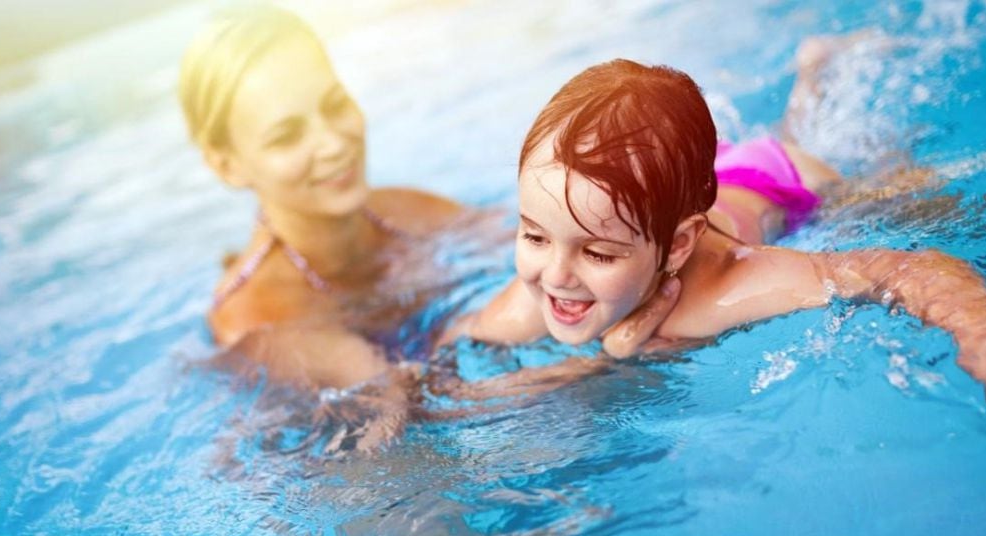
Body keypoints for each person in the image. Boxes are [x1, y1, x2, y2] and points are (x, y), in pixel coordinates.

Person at [442, 58, 986, 427]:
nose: (555, 276)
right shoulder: (539, 289)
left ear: (680, 246)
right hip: (666, 194)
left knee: (930, 204)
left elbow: (912, 269)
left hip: (781, 180)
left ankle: (817, 76)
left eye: (597, 254)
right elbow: (448, 356)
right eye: (533, 235)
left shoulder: (733, 283)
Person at [178, 5, 668, 391]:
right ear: (227, 165)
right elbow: (402, 410)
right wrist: (593, 363)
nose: (332, 143)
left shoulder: (402, 212)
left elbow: (544, 244)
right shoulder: (261, 319)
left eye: (334, 105)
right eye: (286, 135)